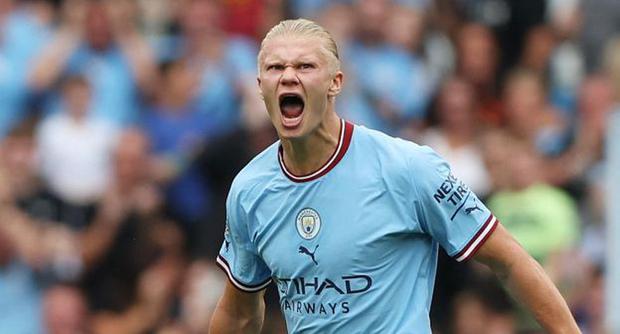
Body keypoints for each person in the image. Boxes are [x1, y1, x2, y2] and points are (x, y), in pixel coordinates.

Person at [209, 19, 580, 333]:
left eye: (305, 66)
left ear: (336, 82)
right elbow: (240, 310)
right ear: (260, 87)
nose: (288, 76)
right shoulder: (249, 190)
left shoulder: (407, 168)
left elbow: (509, 260)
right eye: (275, 68)